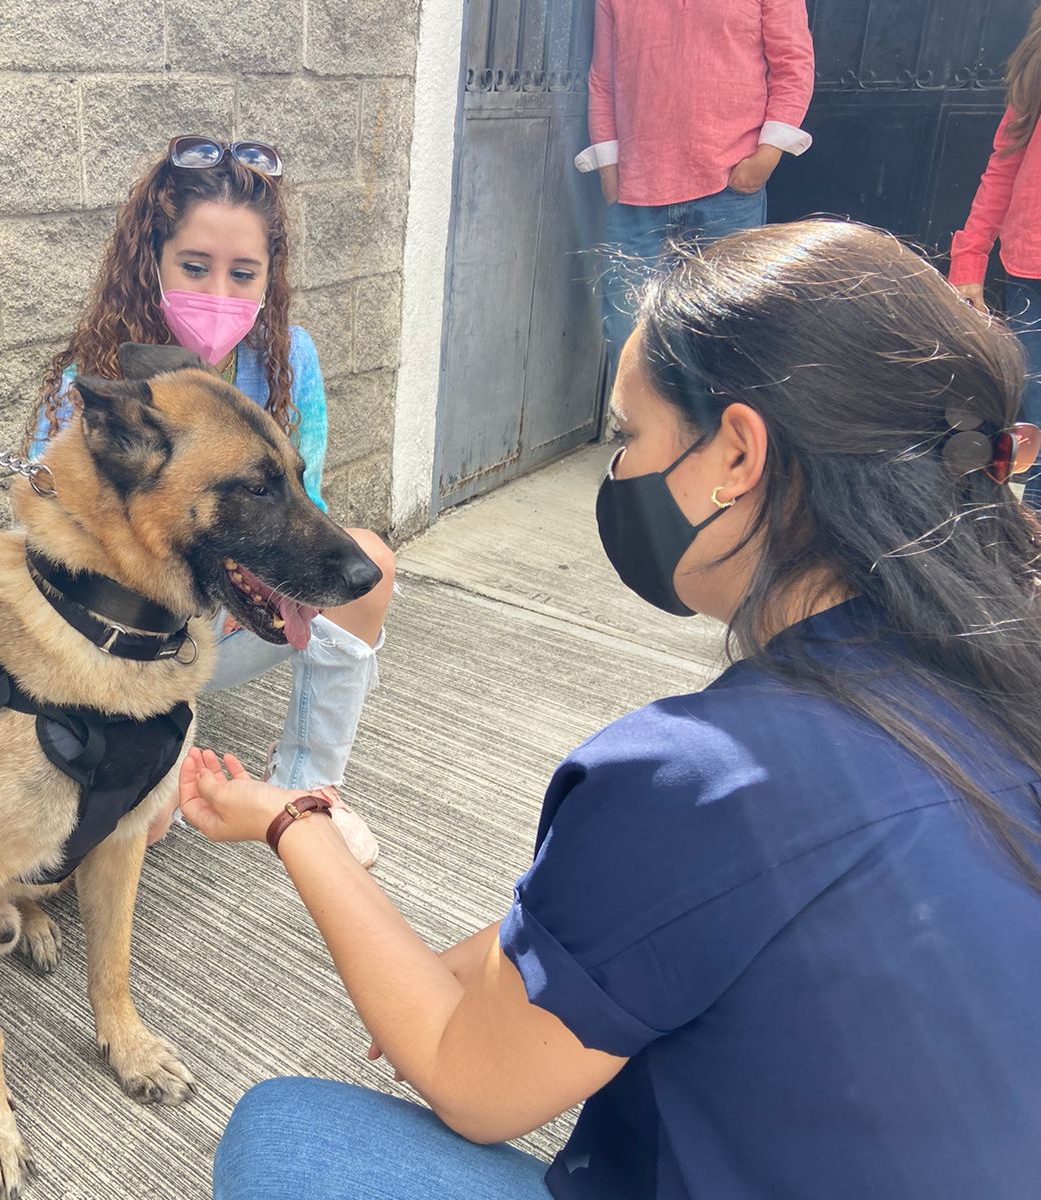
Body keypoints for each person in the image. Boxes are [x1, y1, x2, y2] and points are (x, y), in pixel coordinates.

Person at [180, 221, 1041, 1200]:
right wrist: (505, 954)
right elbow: (715, 911)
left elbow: (472, 1079)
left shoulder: (700, 778)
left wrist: (294, 822)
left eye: (629, 435)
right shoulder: (998, 679)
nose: (619, 471)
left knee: (290, 1133)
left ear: (737, 456)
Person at [31, 136, 397, 867]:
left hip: (224, 619)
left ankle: (306, 790)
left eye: (244, 272)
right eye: (195, 268)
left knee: (367, 567)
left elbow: (303, 509)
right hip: (124, 635)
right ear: (154, 261)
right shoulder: (99, 380)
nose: (220, 295)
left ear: (271, 275)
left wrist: (255, 595)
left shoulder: (289, 357)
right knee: (152, 824)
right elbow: (61, 537)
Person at [579, 0, 815, 366]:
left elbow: (793, 63)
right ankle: (631, 425)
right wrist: (609, 170)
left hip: (728, 188)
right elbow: (602, 78)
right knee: (628, 336)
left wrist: (767, 157)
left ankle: (712, 427)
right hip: (637, 194)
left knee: (721, 336)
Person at [951, 6, 1041, 510]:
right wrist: (969, 258)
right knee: (1032, 411)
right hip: (1032, 266)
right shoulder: (1037, 67)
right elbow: (1002, 169)